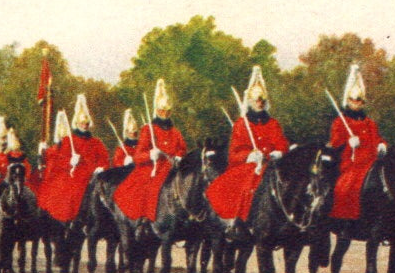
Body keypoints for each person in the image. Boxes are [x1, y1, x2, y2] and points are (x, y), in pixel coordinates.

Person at [206, 66, 290, 239]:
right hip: (248, 167)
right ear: (250, 101)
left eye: (262, 100)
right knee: (246, 186)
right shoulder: (241, 124)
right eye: (256, 100)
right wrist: (249, 156)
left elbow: (282, 143)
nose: (259, 103)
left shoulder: (273, 123)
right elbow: (233, 154)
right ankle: (237, 221)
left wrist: (277, 153)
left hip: (270, 165)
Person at [327, 63, 395, 228]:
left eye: (359, 100)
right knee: (347, 184)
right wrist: (348, 142)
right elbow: (335, 142)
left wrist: (382, 145)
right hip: (350, 163)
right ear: (348, 101)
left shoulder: (370, 123)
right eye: (353, 100)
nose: (356, 103)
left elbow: (377, 139)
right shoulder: (340, 122)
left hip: (371, 162)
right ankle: (346, 219)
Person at [113, 79, 187, 223]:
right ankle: (144, 219)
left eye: (167, 111)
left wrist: (178, 156)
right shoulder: (148, 130)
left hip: (172, 167)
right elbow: (138, 156)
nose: (165, 114)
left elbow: (182, 148)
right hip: (152, 168)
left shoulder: (175, 132)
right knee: (148, 188)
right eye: (161, 111)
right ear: (156, 111)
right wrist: (150, 155)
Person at [38, 95, 110, 223]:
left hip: (94, 176)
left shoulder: (97, 142)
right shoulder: (67, 141)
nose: (85, 125)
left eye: (87, 123)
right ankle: (71, 219)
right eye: (82, 123)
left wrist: (101, 168)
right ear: (76, 123)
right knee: (72, 191)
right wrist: (70, 162)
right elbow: (57, 161)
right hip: (74, 174)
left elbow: (104, 159)